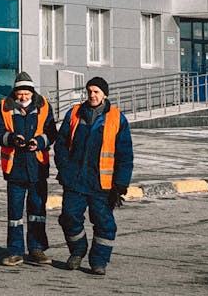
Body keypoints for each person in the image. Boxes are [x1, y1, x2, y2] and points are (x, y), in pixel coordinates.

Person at [54, 76, 133, 277]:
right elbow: (61, 143)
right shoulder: (74, 113)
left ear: (105, 94)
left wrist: (121, 183)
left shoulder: (117, 118)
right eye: (89, 91)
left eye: (96, 91)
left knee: (104, 223)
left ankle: (98, 260)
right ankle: (78, 251)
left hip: (102, 184)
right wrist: (63, 168)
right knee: (69, 217)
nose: (92, 95)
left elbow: (125, 154)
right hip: (75, 180)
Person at [0, 70, 57, 267]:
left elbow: (52, 132)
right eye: (20, 93)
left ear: (32, 92)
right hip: (15, 168)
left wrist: (39, 141)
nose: (23, 96)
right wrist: (12, 139)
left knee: (37, 210)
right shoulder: (4, 107)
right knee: (15, 214)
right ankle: (15, 251)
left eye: (27, 93)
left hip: (37, 167)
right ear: (15, 92)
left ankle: (37, 249)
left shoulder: (44, 106)